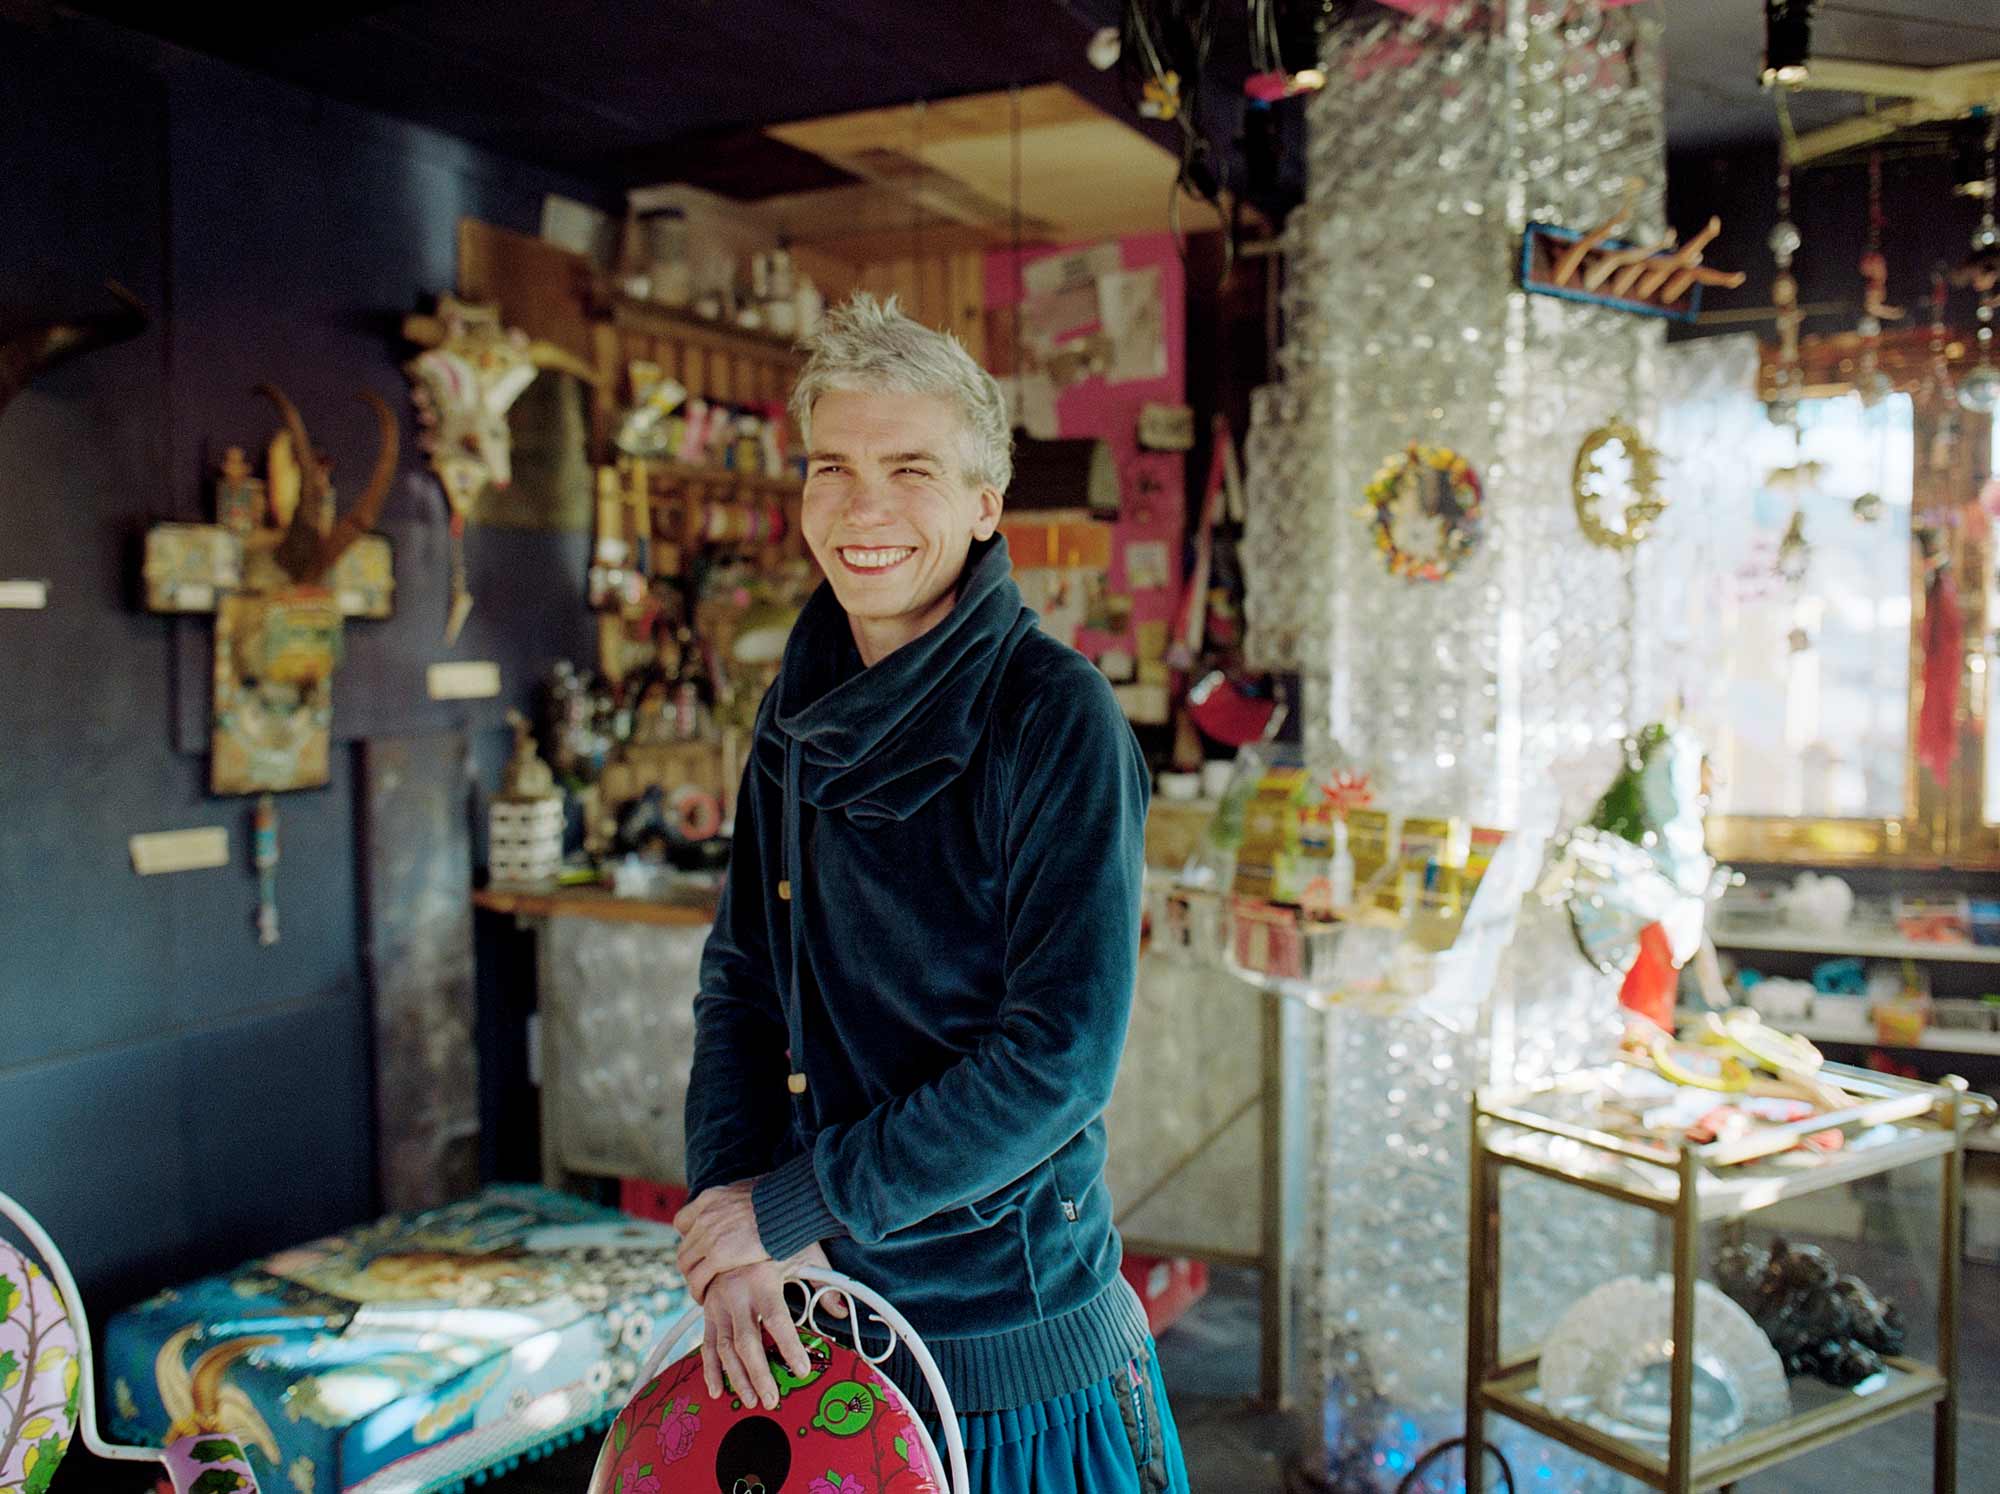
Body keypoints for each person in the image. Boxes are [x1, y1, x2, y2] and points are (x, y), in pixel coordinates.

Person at [673, 293, 1188, 1493]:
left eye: (909, 470)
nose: (863, 508)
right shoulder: (794, 714)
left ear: (983, 503)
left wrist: (790, 1206)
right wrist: (737, 1224)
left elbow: (1056, 1062)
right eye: (832, 468)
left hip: (1011, 1360)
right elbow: (743, 983)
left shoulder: (1052, 715)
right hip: (817, 1329)